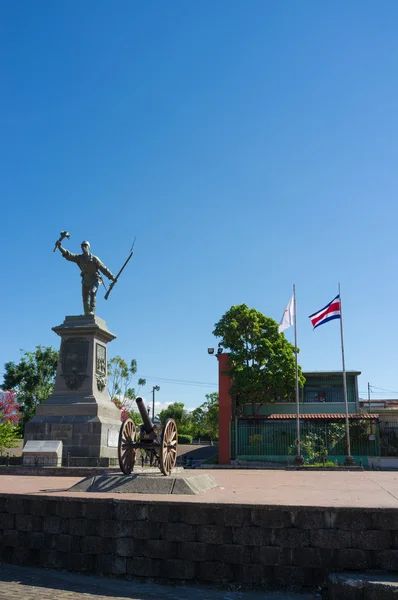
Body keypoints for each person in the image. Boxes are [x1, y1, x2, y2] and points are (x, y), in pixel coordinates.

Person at [57, 240, 115, 316]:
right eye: (82, 246)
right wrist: (60, 247)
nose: (83, 247)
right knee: (84, 297)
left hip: (95, 278)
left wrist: (111, 277)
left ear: (88, 247)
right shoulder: (79, 258)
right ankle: (86, 314)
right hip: (85, 279)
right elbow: (69, 255)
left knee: (92, 292)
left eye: (85, 246)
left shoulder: (94, 259)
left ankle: (92, 311)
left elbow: (103, 268)